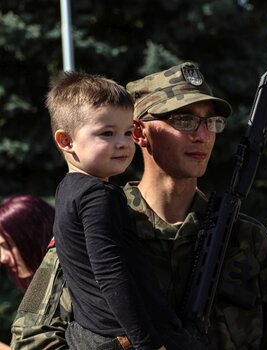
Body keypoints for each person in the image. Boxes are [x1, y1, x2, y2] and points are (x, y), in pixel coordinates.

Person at [11, 62, 267, 349]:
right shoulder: (95, 221)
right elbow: (30, 337)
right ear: (139, 132)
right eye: (184, 120)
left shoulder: (247, 239)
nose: (203, 135)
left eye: (211, 122)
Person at [46, 71, 207, 350]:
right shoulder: (99, 196)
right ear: (65, 141)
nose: (122, 143)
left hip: (93, 334)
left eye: (126, 132)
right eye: (106, 134)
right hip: (123, 338)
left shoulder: (67, 190)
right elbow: (111, 272)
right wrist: (146, 342)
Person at [0, 194, 54, 350]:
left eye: (7, 246)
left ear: (31, 237)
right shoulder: (41, 282)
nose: (3, 258)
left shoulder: (64, 279)